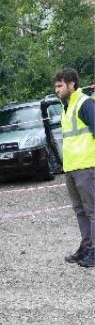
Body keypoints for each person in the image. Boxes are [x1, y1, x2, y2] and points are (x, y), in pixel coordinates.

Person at [53, 68, 95, 268]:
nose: (56, 90)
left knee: (92, 210)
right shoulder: (66, 107)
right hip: (72, 168)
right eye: (55, 86)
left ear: (72, 85)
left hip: (87, 166)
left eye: (60, 85)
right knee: (80, 210)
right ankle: (87, 247)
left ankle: (94, 250)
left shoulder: (84, 103)